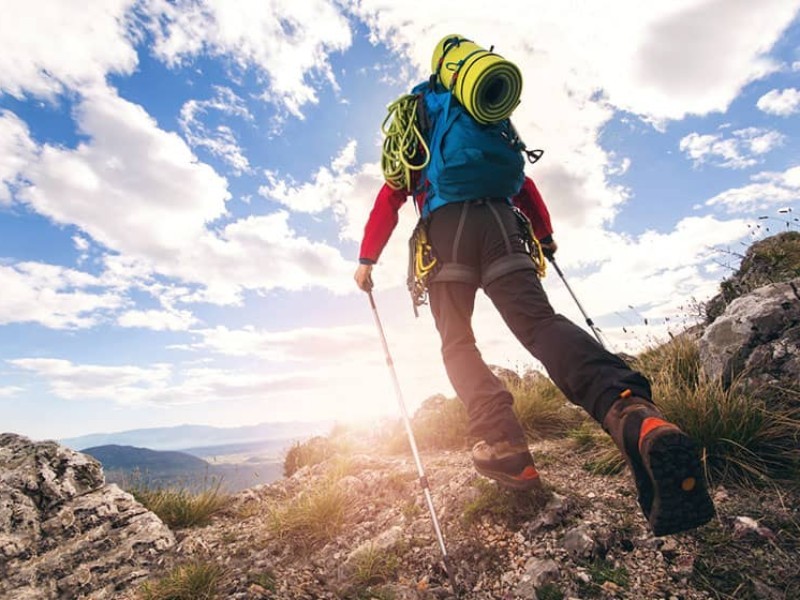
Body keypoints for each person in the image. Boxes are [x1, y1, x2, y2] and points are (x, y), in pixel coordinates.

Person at [354, 83, 714, 538]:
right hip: (502, 223)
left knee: (457, 342)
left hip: (446, 232)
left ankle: (502, 442)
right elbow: (523, 182)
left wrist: (367, 259)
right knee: (540, 324)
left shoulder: (419, 120)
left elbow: (392, 194)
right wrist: (544, 235)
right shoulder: (484, 112)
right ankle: (633, 412)